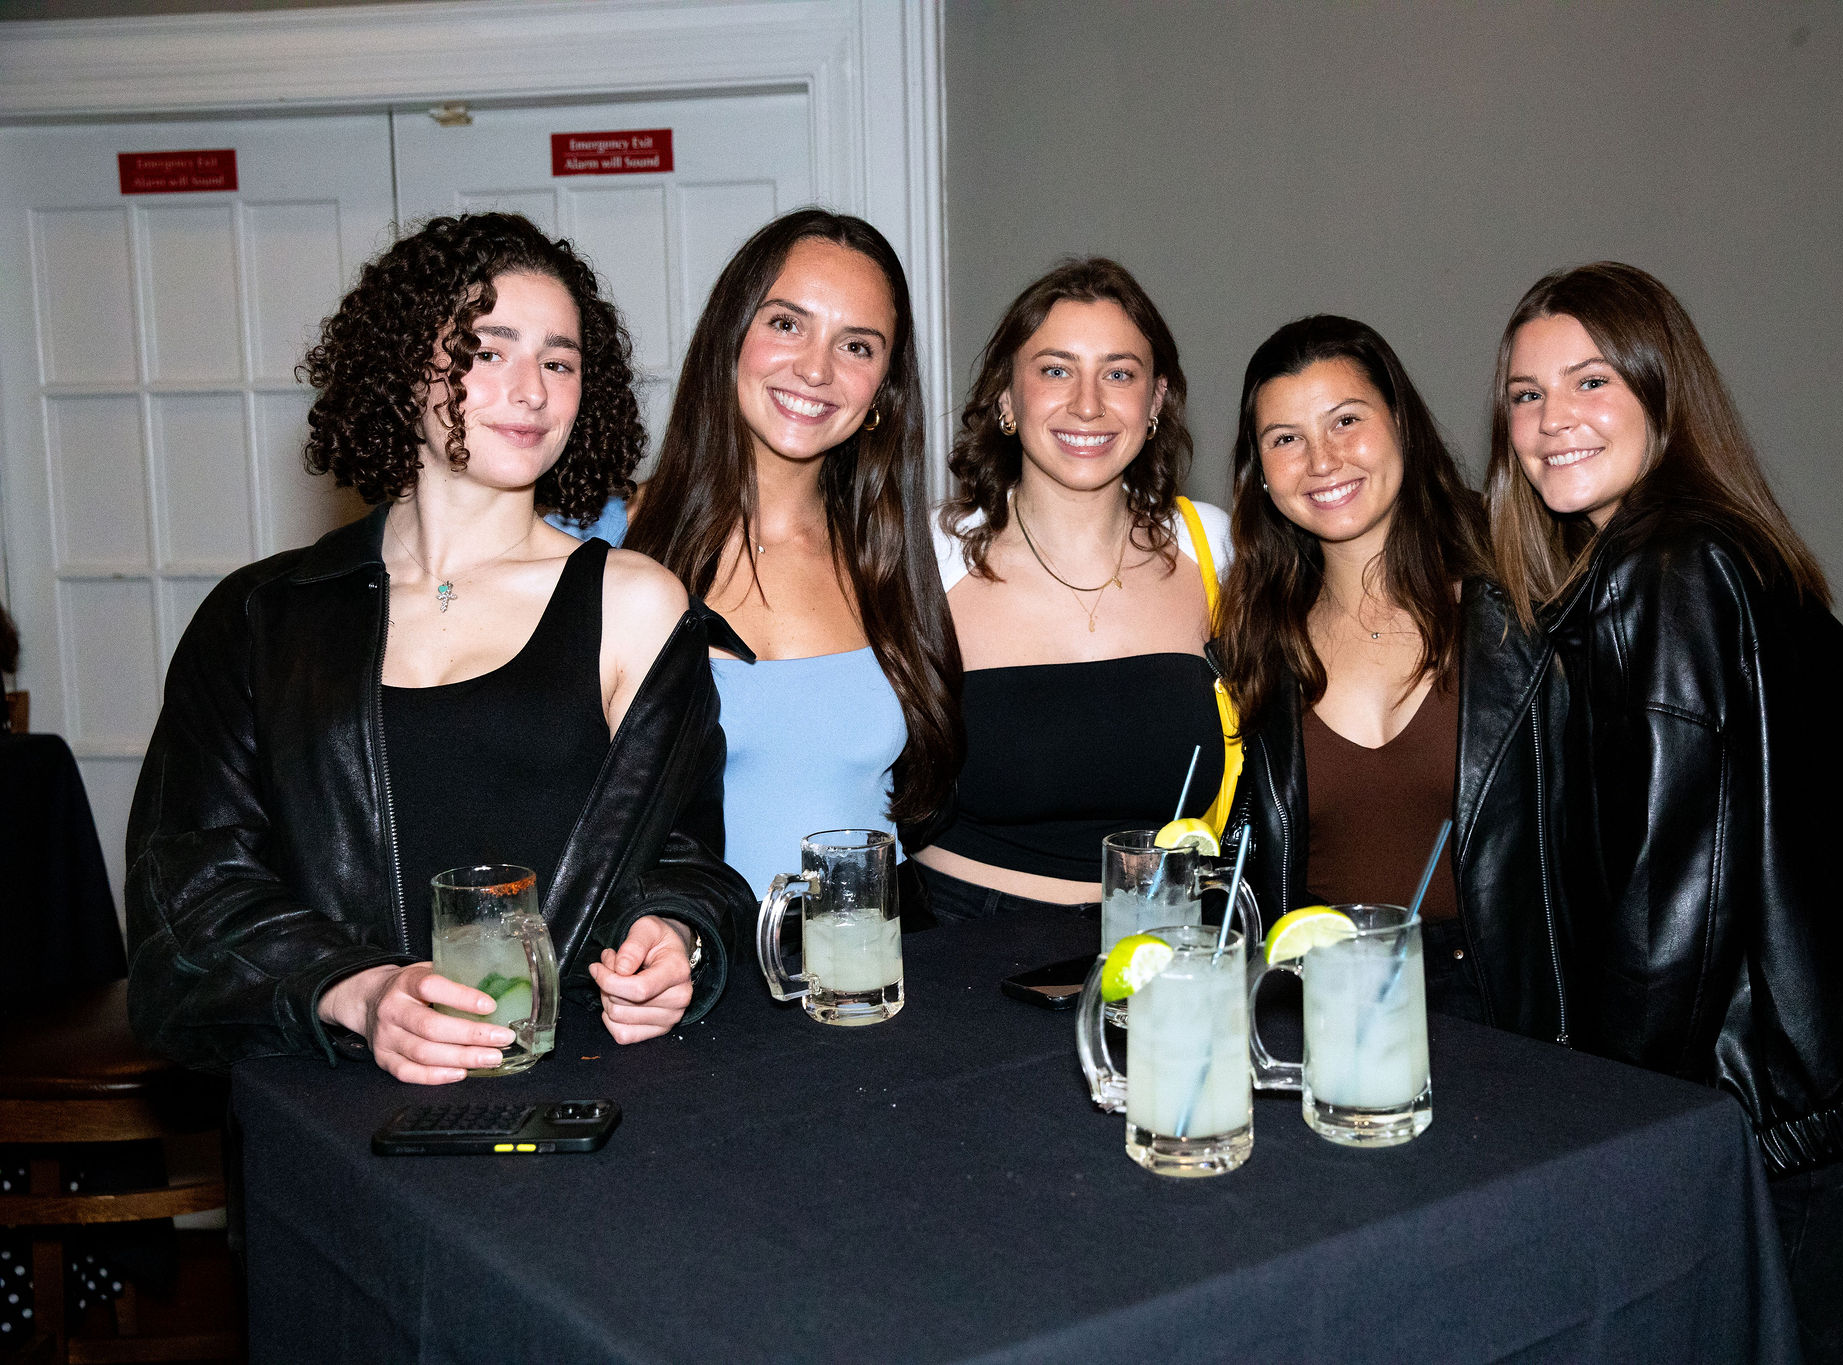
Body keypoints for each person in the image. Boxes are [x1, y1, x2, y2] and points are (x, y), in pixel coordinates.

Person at [126, 212, 753, 1083]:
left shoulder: (637, 604)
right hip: (328, 1096)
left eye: (559, 360)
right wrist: (360, 990)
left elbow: (688, 861)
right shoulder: (261, 618)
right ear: (402, 366)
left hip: (573, 1084)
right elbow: (187, 904)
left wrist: (675, 933)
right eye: (488, 350)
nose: (531, 389)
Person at [1487, 261, 1843, 1362]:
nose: (1552, 422)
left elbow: (1670, 902)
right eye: (1523, 394)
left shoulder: (1665, 568)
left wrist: (1602, 1141)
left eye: (1590, 382)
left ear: (1660, 391)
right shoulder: (1729, 554)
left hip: (1773, 1145)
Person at [626, 209, 961, 903]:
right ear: (731, 336)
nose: (815, 368)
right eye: (786, 323)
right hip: (685, 971)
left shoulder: (893, 559)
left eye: (858, 346)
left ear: (882, 393)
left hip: (869, 970)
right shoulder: (616, 543)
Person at [1215, 315, 1518, 1022]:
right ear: (1260, 473)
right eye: (1285, 439)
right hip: (1322, 1006)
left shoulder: (1514, 617)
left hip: (1509, 1010)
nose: (1322, 460)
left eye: (1345, 420)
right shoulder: (1253, 646)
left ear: (1401, 426)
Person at [913, 258, 1230, 921]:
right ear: (1007, 396)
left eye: (1119, 373)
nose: (1088, 403)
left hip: (1161, 948)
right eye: (1056, 369)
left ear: (1156, 400)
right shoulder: (924, 557)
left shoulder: (1216, 551)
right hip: (961, 950)